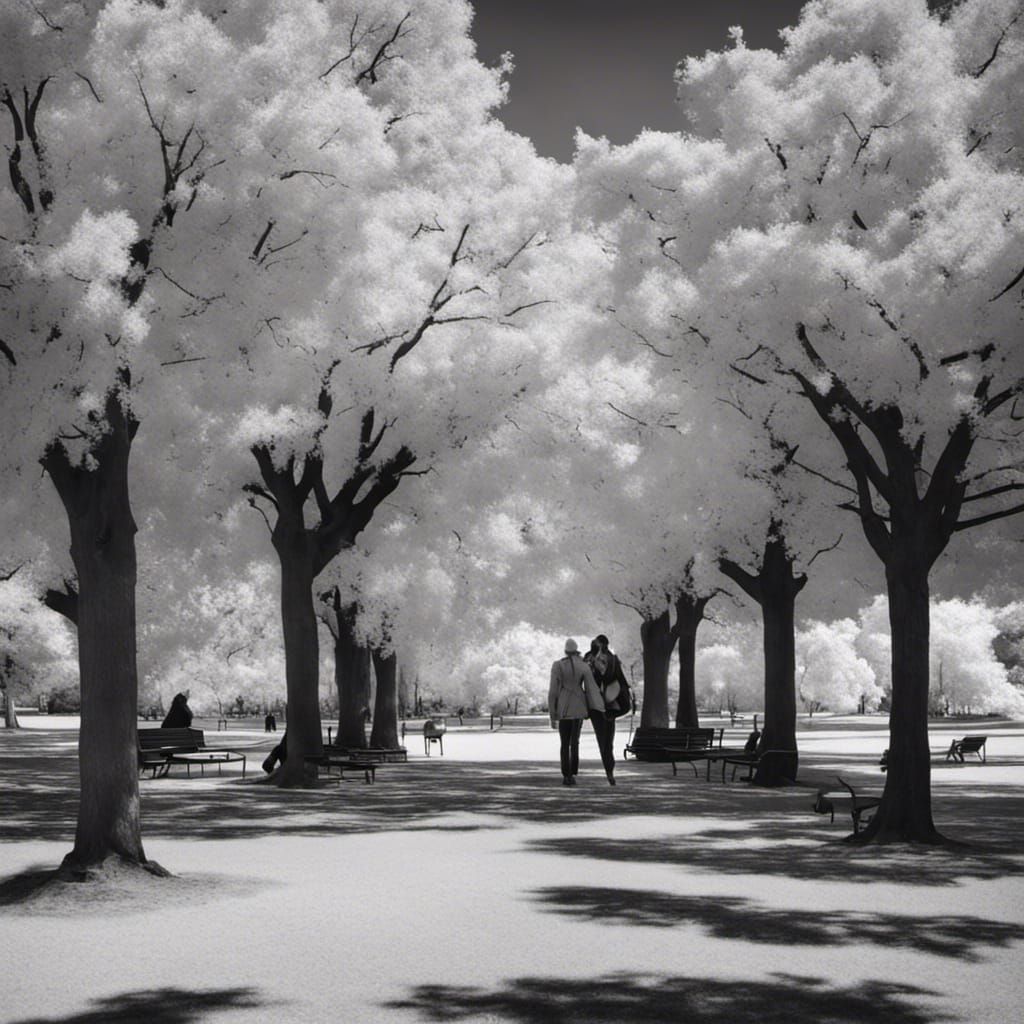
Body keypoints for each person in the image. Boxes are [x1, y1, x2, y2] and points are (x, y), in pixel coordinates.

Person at [548, 638, 603, 786]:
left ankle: (566, 774)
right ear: (577, 650)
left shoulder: (557, 665)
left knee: (564, 743)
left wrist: (552, 715)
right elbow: (591, 688)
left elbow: (553, 691)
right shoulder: (583, 666)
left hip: (564, 706)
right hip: (579, 706)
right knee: (575, 741)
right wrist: (598, 707)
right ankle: (573, 771)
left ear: (565, 651)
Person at [585, 634, 629, 785]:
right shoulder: (613, 659)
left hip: (595, 704)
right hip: (611, 704)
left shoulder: (588, 659)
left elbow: (584, 680)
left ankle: (608, 767)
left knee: (602, 738)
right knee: (608, 739)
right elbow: (621, 680)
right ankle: (609, 768)